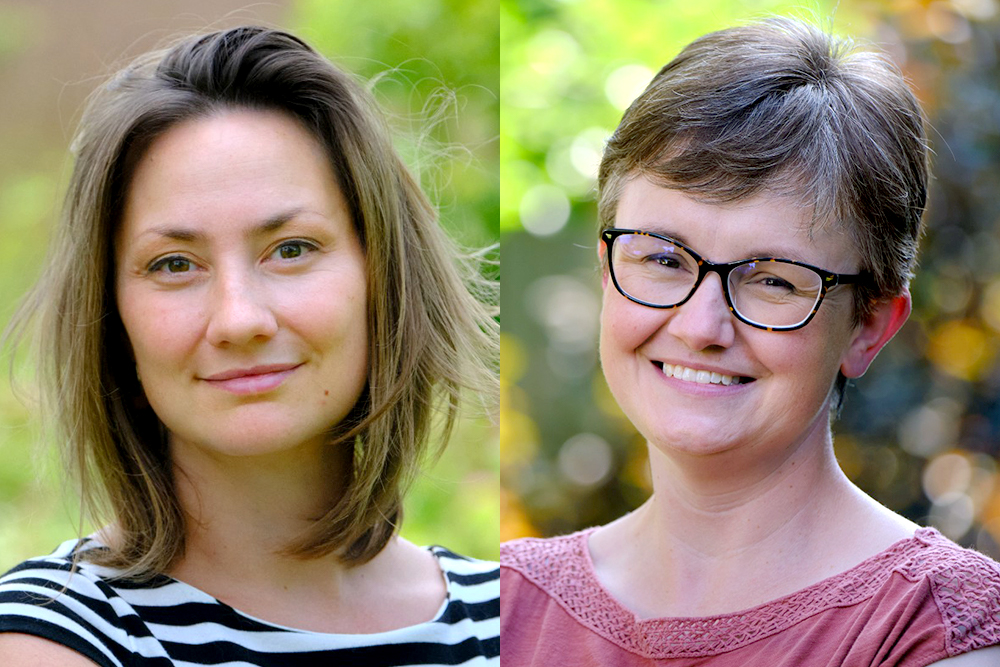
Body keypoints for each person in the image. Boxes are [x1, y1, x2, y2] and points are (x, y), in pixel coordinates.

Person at [501, 17, 1000, 667]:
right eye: (663, 260)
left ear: (870, 324)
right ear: (606, 270)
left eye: (771, 280)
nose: (699, 326)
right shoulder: (504, 601)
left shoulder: (931, 628)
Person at [0, 26, 499, 666]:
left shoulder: (515, 625)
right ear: (111, 313)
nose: (239, 319)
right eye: (175, 264)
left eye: (291, 250)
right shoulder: (55, 637)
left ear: (384, 278)